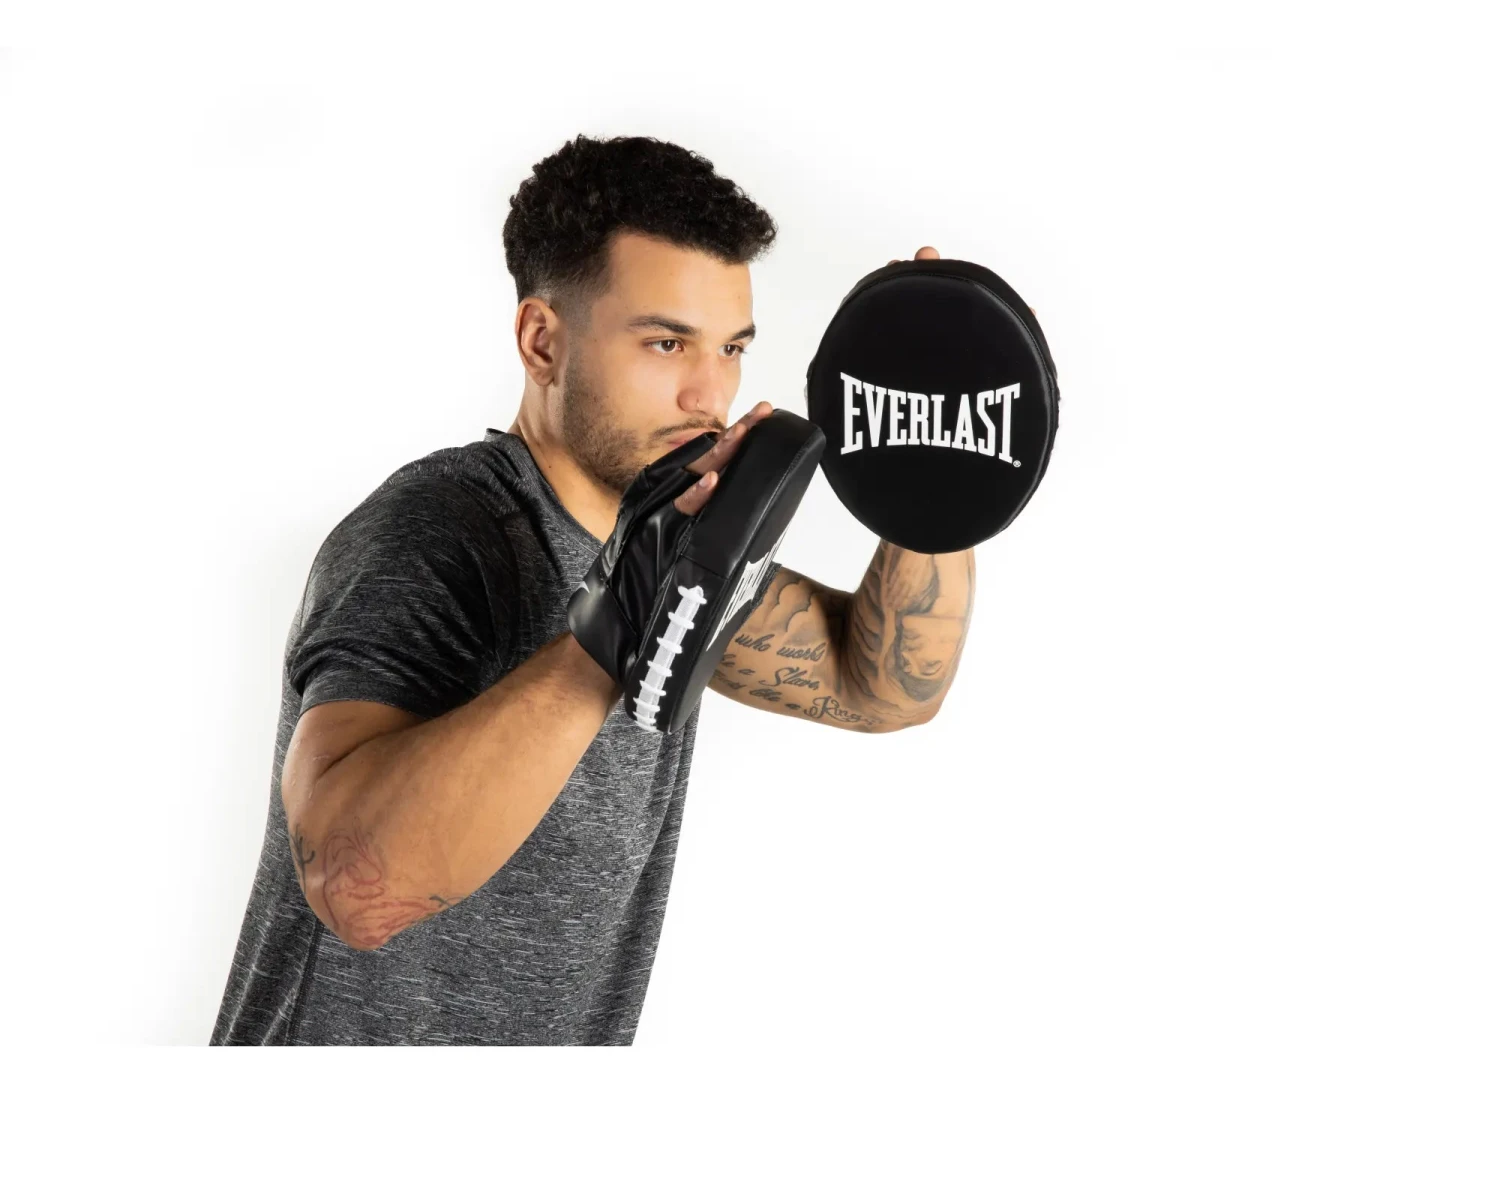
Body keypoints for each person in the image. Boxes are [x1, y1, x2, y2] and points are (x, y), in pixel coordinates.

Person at [211, 133, 972, 1046]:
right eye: (666, 342)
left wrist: (927, 481)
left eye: (731, 347)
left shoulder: (676, 549)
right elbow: (352, 891)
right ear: (542, 341)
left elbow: (881, 687)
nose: (709, 394)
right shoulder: (436, 532)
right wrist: (612, 633)